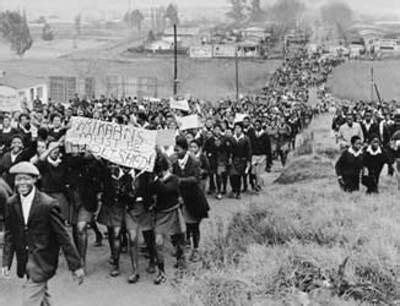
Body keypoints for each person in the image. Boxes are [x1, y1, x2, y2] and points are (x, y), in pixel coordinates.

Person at [2, 161, 84, 306]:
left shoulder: (48, 204)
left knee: (29, 302)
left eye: (26, 178)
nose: (22, 183)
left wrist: (76, 266)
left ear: (35, 179)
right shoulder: (11, 203)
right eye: (18, 179)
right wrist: (6, 263)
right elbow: (10, 234)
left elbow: (64, 237)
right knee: (42, 300)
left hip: (43, 261)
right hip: (25, 261)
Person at [172, 136, 210, 264]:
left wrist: (180, 180)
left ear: (184, 149)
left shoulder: (194, 162)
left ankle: (196, 249)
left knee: (194, 225)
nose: (176, 153)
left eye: (178, 150)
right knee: (185, 225)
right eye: (175, 150)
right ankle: (186, 246)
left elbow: (196, 179)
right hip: (183, 199)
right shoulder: (175, 163)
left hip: (195, 198)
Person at [150, 153, 185, 284]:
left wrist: (155, 180)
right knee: (158, 242)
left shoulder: (174, 179)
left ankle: (181, 262)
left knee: (177, 240)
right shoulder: (155, 180)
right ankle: (161, 271)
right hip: (160, 215)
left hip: (173, 212)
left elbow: (165, 190)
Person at [230, 123, 252, 199]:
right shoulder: (232, 138)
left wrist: (248, 160)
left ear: (241, 129)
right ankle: (234, 189)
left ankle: (238, 192)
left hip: (242, 159)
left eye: (238, 128)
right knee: (233, 175)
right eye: (235, 128)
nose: (237, 129)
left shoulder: (246, 138)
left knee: (239, 176)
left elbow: (249, 150)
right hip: (233, 159)